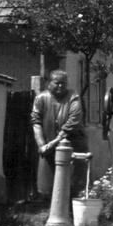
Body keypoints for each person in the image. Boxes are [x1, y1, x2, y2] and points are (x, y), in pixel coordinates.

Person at [31, 70, 87, 202]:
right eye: (57, 83)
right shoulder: (41, 98)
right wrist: (42, 145)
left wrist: (54, 142)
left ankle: (72, 211)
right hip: (48, 150)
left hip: (73, 146)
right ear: (49, 83)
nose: (61, 86)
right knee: (47, 187)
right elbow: (36, 122)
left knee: (73, 185)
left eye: (63, 83)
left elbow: (74, 121)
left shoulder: (73, 96)